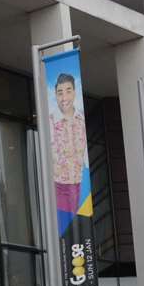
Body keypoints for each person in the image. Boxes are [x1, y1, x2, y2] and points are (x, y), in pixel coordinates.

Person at [49, 73, 87, 218]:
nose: (64, 97)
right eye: (60, 93)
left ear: (75, 92)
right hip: (60, 188)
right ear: (55, 95)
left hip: (81, 186)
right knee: (66, 231)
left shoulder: (82, 119)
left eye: (68, 91)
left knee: (81, 227)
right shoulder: (50, 121)